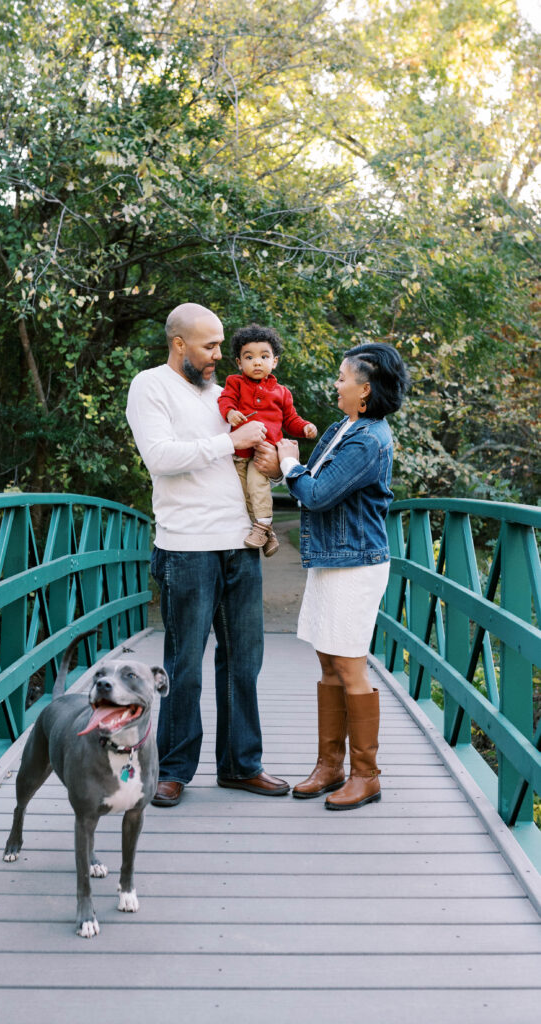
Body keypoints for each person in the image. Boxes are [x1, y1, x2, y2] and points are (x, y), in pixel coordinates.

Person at [125, 302, 290, 807]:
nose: (221, 355)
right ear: (179, 344)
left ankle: (241, 766)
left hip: (239, 545)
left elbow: (262, 455)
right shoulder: (150, 387)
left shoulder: (225, 396)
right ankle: (174, 770)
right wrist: (231, 441)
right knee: (185, 664)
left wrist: (276, 461)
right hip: (186, 548)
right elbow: (161, 457)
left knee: (244, 662)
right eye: (210, 346)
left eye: (222, 345)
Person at [276, 343, 409, 810]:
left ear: (365, 389)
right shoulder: (342, 427)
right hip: (332, 561)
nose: (335, 384)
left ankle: (366, 774)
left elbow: (314, 493)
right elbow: (309, 481)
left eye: (341, 377)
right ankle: (329, 766)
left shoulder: (369, 440)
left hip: (356, 565)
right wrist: (293, 469)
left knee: (351, 666)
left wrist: (289, 463)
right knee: (329, 663)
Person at [217, 323, 317, 558]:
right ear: (239, 363)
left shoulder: (282, 392)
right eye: (249, 357)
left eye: (264, 356)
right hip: (240, 453)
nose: (257, 362)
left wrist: (305, 428)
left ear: (275, 361)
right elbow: (225, 400)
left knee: (257, 485)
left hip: (263, 451)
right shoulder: (235, 382)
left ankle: (262, 524)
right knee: (243, 494)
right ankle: (268, 534)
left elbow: (290, 419)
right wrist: (230, 412)